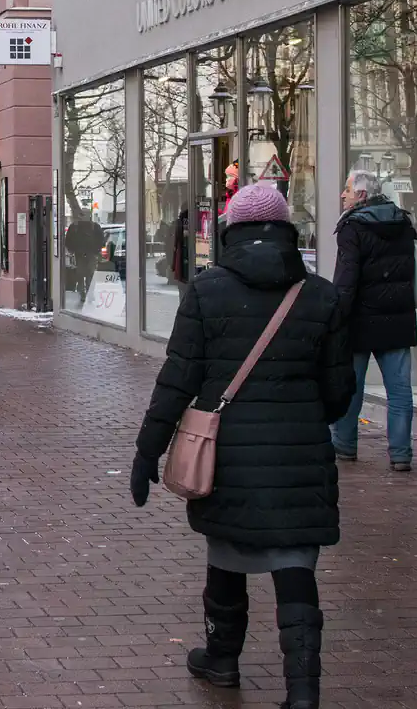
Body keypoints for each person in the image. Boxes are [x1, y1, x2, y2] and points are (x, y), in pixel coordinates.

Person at [131, 180, 352, 700]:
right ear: (285, 230)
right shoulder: (321, 294)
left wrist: (147, 451)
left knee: (227, 551)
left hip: (227, 452)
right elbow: (339, 394)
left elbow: (178, 379)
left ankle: (223, 659)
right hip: (300, 455)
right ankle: (303, 690)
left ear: (232, 229)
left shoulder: (208, 291)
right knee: (296, 560)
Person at [328, 170, 417, 470]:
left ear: (362, 196)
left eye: (347, 190)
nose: (343, 195)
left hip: (359, 319)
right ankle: (401, 454)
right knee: (399, 391)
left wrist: (335, 318)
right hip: (398, 319)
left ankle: (344, 445)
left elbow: (345, 280)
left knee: (349, 386)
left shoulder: (353, 227)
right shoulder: (403, 222)